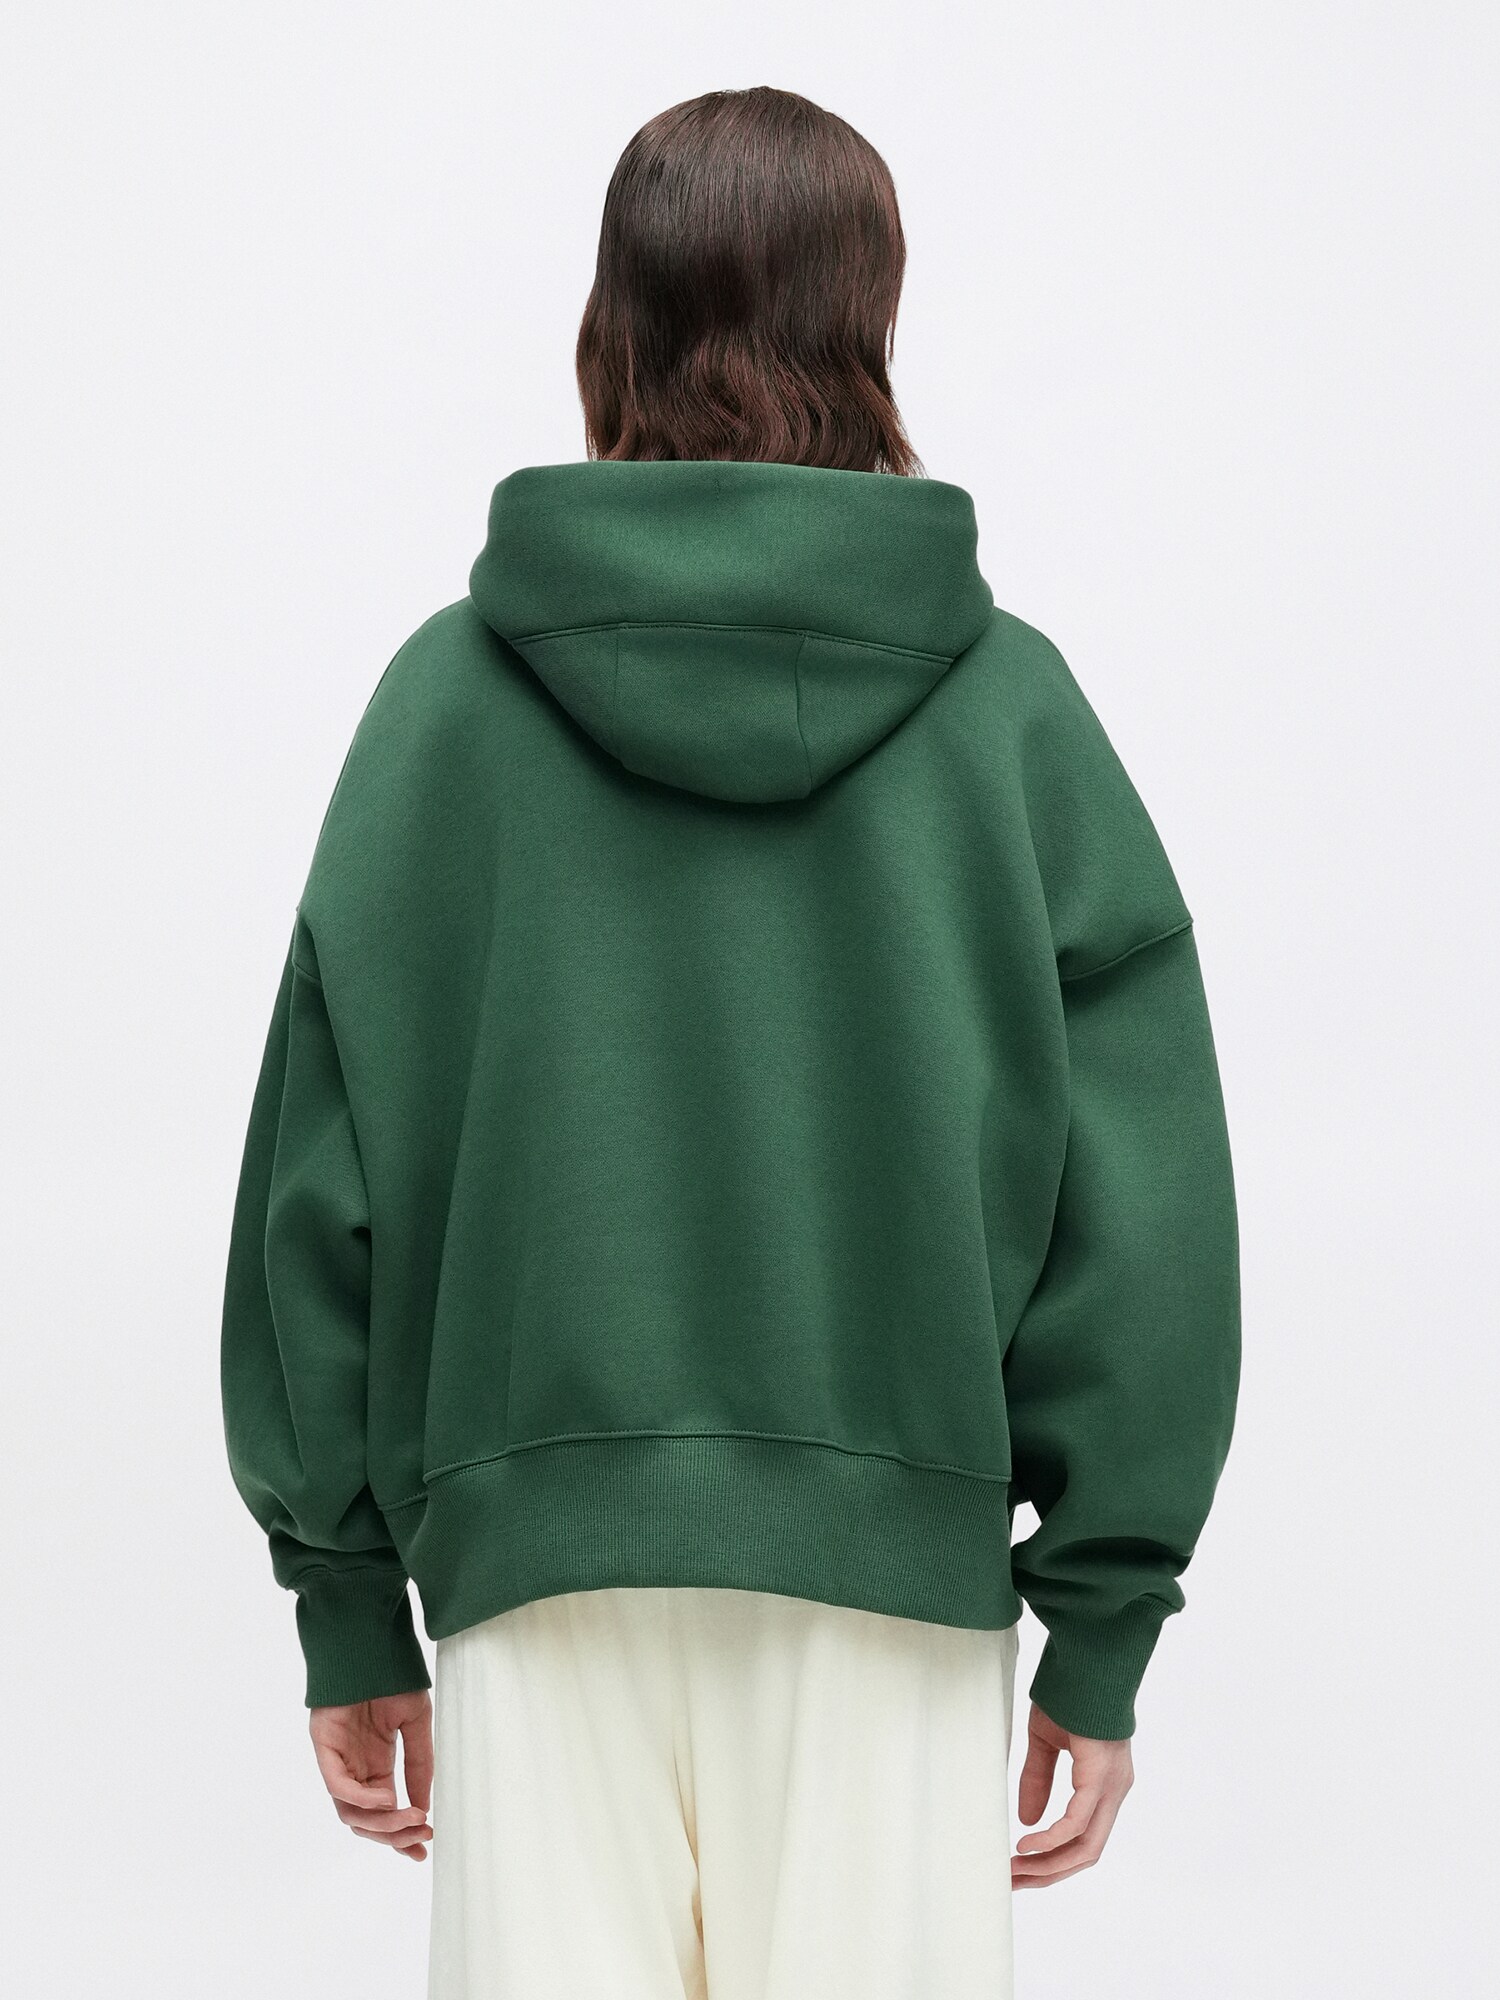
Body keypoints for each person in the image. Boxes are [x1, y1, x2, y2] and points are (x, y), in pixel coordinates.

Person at [221, 85, 1240, 1999]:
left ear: (609, 319)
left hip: (537, 1576)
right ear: (872, 320)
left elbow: (314, 1189)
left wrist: (345, 1596)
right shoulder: (1012, 720)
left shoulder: (444, 713)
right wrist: (1101, 1619)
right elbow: (1147, 1215)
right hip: (892, 1593)